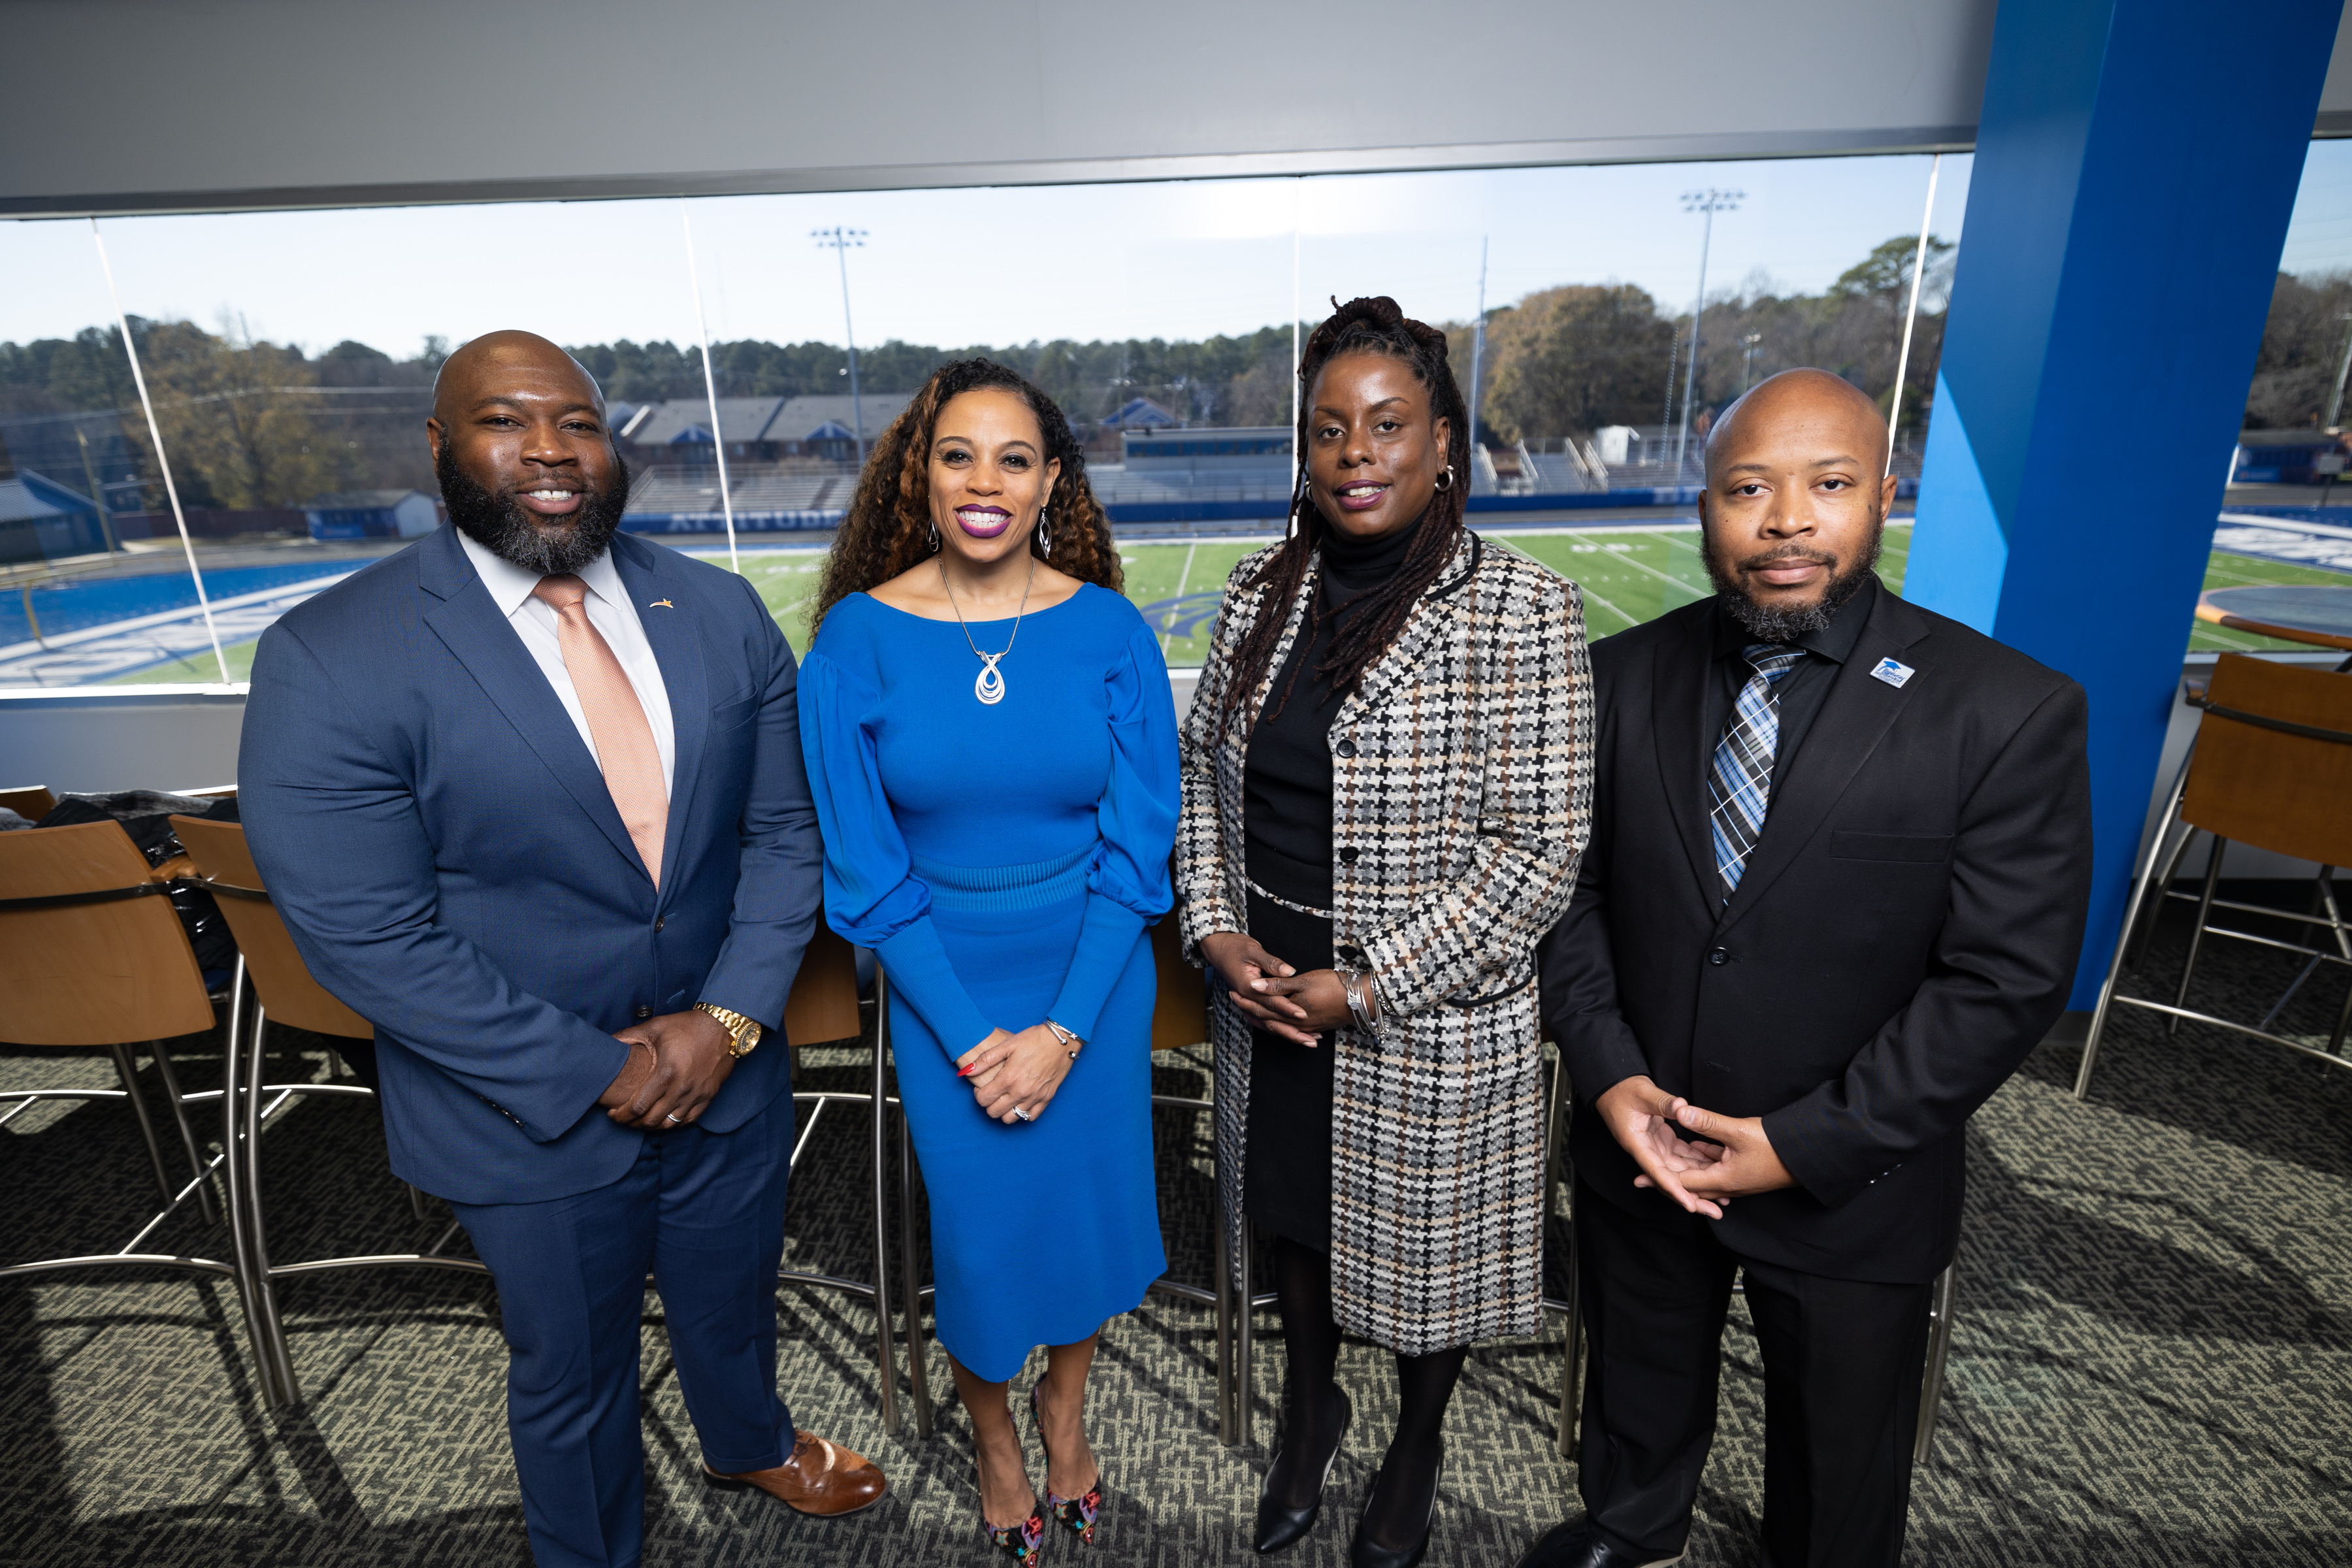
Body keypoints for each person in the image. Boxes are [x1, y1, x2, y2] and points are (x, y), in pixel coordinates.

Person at [239, 332, 887, 1568]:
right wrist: (598, 1069)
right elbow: (369, 934)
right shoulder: (331, 654)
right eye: (505, 420)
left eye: (579, 423)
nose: (548, 450)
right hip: (525, 1105)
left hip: (728, 1066)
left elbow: (785, 834)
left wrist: (730, 1022)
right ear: (440, 447)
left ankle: (748, 1439)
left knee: (734, 1299)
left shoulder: (715, 606)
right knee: (572, 1370)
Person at [1524, 369, 2093, 1568]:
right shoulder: (1613, 680)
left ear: (1884, 495)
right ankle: (1636, 1524)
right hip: (1646, 1146)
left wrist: (1805, 1143)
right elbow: (1570, 902)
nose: (1788, 520)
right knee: (1639, 1383)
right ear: (1706, 510)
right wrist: (1614, 1081)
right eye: (1750, 489)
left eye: (1828, 485)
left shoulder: (2005, 709)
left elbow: (2005, 979)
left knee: (1837, 1478)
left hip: (1851, 1176)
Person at [1176, 297, 1593, 1568]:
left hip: (1420, 1016)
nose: (1356, 452)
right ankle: (1315, 1406)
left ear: (1446, 445)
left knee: (1425, 1281)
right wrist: (1213, 929)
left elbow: (1538, 856)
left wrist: (1363, 989)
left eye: (1388, 424)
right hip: (1266, 1000)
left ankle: (1416, 1445)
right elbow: (1203, 783)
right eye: (1328, 430)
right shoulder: (1261, 589)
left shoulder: (1520, 608)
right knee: (1290, 1229)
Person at [797, 359, 1179, 1563]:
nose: (985, 481)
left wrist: (1065, 1029)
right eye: (958, 454)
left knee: (1082, 1212)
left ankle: (1064, 1411)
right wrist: (972, 1036)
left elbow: (1137, 846)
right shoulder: (853, 644)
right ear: (921, 475)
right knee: (979, 1236)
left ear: (1052, 481)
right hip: (941, 986)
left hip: (1095, 979)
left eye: (1015, 458)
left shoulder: (1110, 628)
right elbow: (865, 874)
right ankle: (996, 1440)